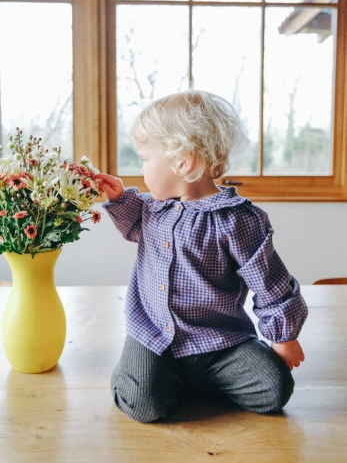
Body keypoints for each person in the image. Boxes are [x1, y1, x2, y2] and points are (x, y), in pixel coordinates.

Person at [96, 90, 308, 423]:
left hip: (220, 341)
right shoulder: (153, 210)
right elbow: (133, 225)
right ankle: (163, 376)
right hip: (154, 336)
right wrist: (119, 197)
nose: (142, 169)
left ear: (183, 162)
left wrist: (284, 336)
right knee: (141, 404)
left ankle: (193, 379)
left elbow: (271, 283)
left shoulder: (237, 220)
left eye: (145, 159)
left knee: (274, 389)